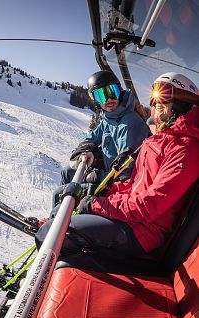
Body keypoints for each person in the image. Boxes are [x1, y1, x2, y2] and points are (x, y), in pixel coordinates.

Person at [36, 72, 199, 258]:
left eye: (163, 104)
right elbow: (134, 184)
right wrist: (102, 193)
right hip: (130, 219)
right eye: (155, 103)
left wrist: (98, 204)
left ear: (182, 105)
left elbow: (150, 205)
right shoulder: (160, 141)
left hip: (143, 232)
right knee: (64, 210)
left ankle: (39, 281)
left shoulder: (185, 148)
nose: (156, 110)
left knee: (54, 232)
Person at [52, 70, 151, 208]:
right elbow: (92, 137)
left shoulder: (129, 123)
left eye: (112, 91)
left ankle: (61, 222)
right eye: (101, 96)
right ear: (96, 101)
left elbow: (127, 175)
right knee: (67, 171)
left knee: (59, 193)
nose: (109, 99)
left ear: (120, 91)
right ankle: (62, 214)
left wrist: (96, 176)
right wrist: (85, 149)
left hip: (119, 185)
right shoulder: (110, 117)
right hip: (108, 173)